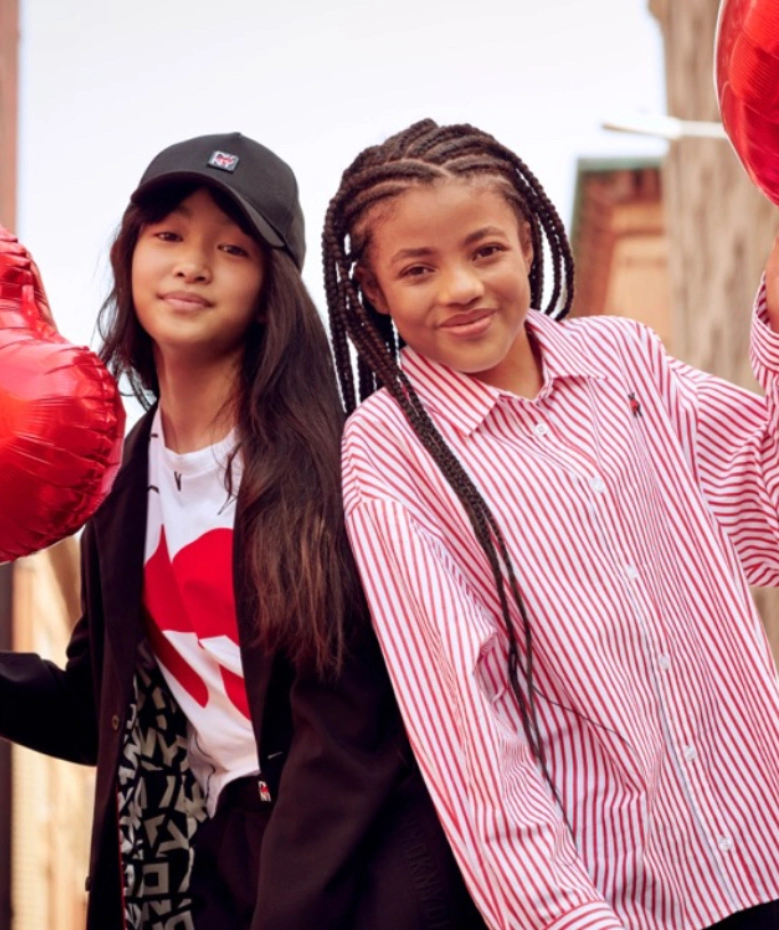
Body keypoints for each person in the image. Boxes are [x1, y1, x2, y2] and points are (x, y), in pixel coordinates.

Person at [0, 132, 482, 930]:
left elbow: (351, 734)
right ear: (132, 254)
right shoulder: (117, 487)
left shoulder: (339, 462)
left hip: (366, 876)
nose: (193, 264)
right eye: (169, 235)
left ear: (270, 286)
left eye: (232, 247)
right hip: (214, 873)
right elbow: (95, 714)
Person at [321, 117, 779, 930]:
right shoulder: (389, 452)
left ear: (528, 245)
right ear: (373, 290)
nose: (460, 287)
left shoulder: (625, 362)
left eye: (485, 250)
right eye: (417, 268)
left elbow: (768, 522)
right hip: (626, 904)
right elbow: (465, 724)